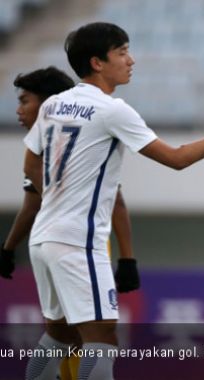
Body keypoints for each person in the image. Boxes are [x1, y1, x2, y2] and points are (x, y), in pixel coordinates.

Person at [21, 22, 204, 380]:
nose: (131, 60)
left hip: (43, 238)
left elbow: (30, 160)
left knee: (59, 336)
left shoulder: (55, 104)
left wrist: (57, 195)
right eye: (122, 52)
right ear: (98, 62)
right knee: (101, 337)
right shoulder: (112, 110)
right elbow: (177, 158)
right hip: (77, 242)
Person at [0, 66, 139, 380]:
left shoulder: (56, 143)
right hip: (78, 243)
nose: (19, 110)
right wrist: (128, 258)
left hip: (58, 241)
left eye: (25, 101)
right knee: (95, 339)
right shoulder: (63, 140)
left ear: (49, 102)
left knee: (66, 337)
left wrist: (8, 248)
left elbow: (34, 202)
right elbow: (113, 199)